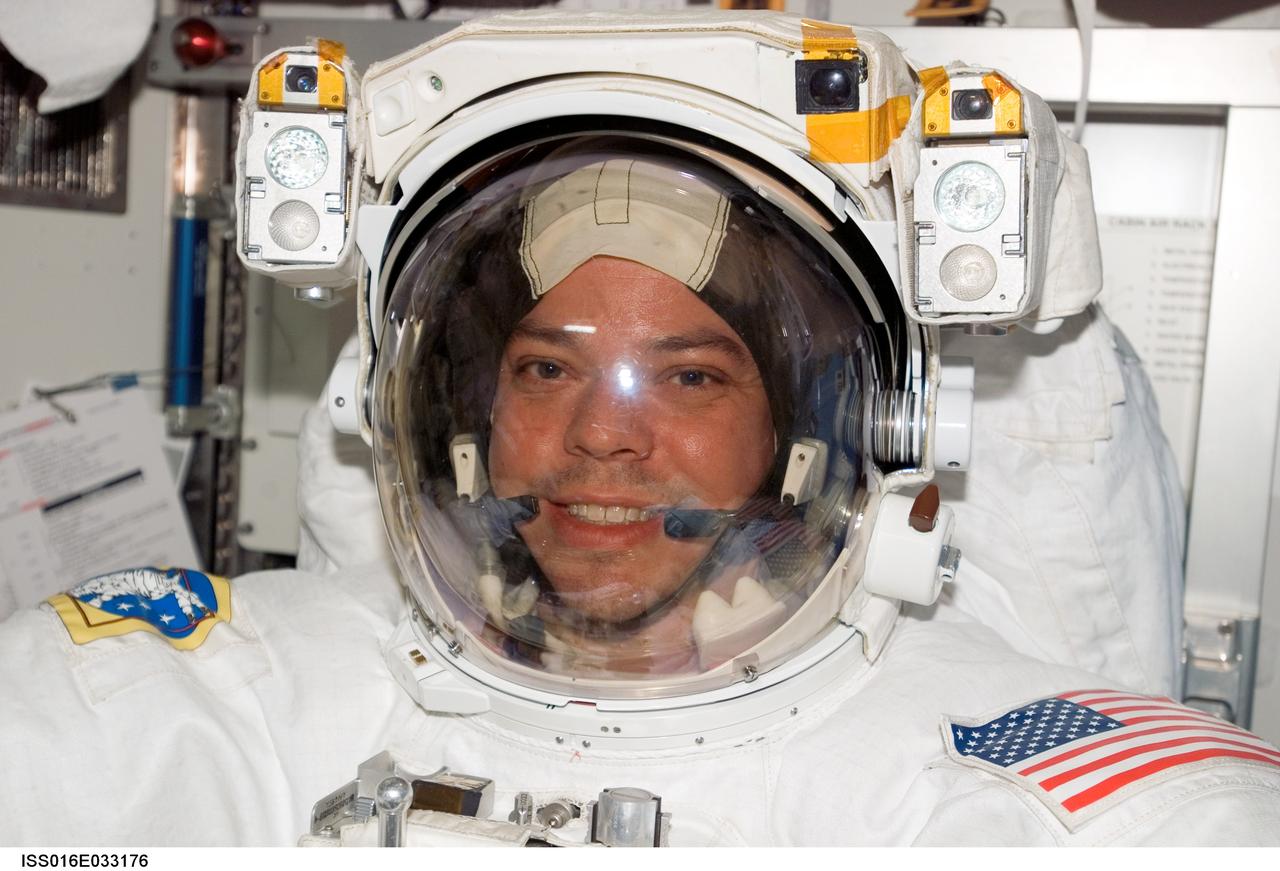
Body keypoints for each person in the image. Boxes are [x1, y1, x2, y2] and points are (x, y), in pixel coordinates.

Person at [3, 12, 1277, 847]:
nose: (600, 439)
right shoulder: (298, 682)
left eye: (690, 378)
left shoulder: (962, 774)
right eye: (547, 367)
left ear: (817, 437)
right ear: (459, 419)